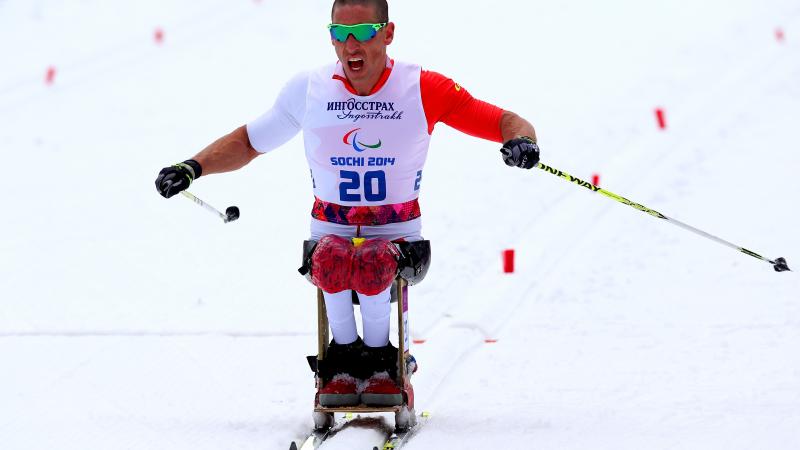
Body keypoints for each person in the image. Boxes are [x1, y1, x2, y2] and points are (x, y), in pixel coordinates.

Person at [155, 0, 540, 408]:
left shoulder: (422, 87)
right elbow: (250, 141)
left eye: (363, 33)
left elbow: (503, 121)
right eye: (339, 34)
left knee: (373, 262)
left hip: (397, 235)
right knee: (334, 259)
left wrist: (522, 142)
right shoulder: (309, 89)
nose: (350, 45)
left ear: (388, 34)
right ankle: (341, 362)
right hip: (331, 231)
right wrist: (193, 167)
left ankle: (381, 361)